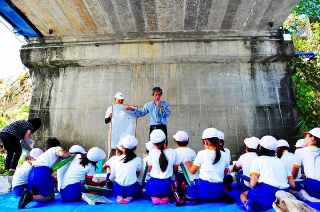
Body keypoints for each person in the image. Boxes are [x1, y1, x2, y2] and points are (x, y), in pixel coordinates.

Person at [240, 136, 295, 211]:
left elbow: (253, 184)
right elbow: (292, 184)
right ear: (276, 149)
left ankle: (248, 204)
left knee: (243, 194)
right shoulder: (282, 162)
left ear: (260, 147)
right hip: (283, 195)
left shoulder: (257, 160)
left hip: (267, 193)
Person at [181, 128, 235, 204]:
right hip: (218, 192)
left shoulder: (201, 153)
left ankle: (197, 198)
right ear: (218, 141)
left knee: (188, 189)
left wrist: (189, 163)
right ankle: (219, 197)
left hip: (204, 189)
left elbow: (192, 171)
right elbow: (224, 175)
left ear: (205, 142)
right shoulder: (225, 156)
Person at [18, 138, 72, 209]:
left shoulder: (44, 155)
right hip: (41, 171)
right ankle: (30, 198)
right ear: (57, 146)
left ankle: (28, 194)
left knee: (35, 192)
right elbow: (62, 153)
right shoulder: (56, 148)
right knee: (50, 197)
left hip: (32, 171)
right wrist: (70, 154)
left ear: (46, 149)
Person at [145, 129, 179, 204]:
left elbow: (150, 170)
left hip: (153, 185)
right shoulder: (173, 152)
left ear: (153, 143)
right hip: (167, 186)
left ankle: (154, 197)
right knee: (168, 193)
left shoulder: (151, 153)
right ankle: (165, 197)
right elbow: (175, 171)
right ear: (165, 139)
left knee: (149, 188)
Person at [292, 128, 320, 199]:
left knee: (287, 187)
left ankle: (306, 199)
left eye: (306, 136)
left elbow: (294, 176)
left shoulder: (300, 151)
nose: (304, 139)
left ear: (312, 139)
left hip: (314, 186)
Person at [113, 135, 142, 204]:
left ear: (122, 147)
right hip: (131, 189)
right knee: (139, 190)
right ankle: (130, 196)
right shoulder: (138, 160)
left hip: (117, 188)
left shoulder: (117, 159)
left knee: (119, 187)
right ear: (135, 148)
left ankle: (120, 196)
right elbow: (137, 175)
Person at [105, 92, 125, 158]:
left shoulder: (126, 108)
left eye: (122, 100)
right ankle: (110, 165)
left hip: (123, 131)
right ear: (115, 99)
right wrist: (110, 116)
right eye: (119, 99)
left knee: (122, 148)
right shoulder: (110, 108)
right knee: (112, 148)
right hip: (113, 130)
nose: (120, 101)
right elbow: (106, 121)